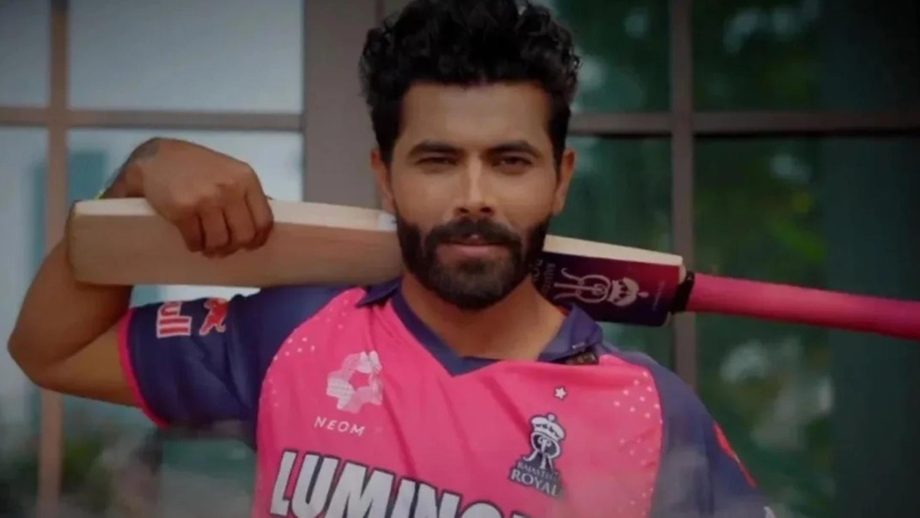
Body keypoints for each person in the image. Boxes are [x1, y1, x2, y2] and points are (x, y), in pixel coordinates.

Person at [9, 1, 773, 516]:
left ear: (560, 178)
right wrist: (131, 184)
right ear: (386, 175)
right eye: (438, 160)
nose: (474, 197)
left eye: (509, 161)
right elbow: (52, 349)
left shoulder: (653, 414)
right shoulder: (293, 334)